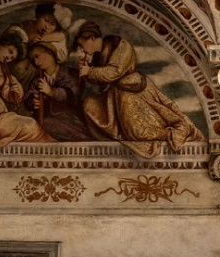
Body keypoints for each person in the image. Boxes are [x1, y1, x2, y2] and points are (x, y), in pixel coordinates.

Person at [74, 21, 205, 158]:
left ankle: (170, 133)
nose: (82, 49)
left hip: (133, 91)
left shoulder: (121, 45)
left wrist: (90, 71)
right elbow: (100, 81)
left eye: (81, 44)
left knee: (138, 132)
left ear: (92, 38)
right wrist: (87, 71)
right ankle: (116, 134)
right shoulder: (96, 56)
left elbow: (115, 72)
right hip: (113, 98)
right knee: (89, 105)